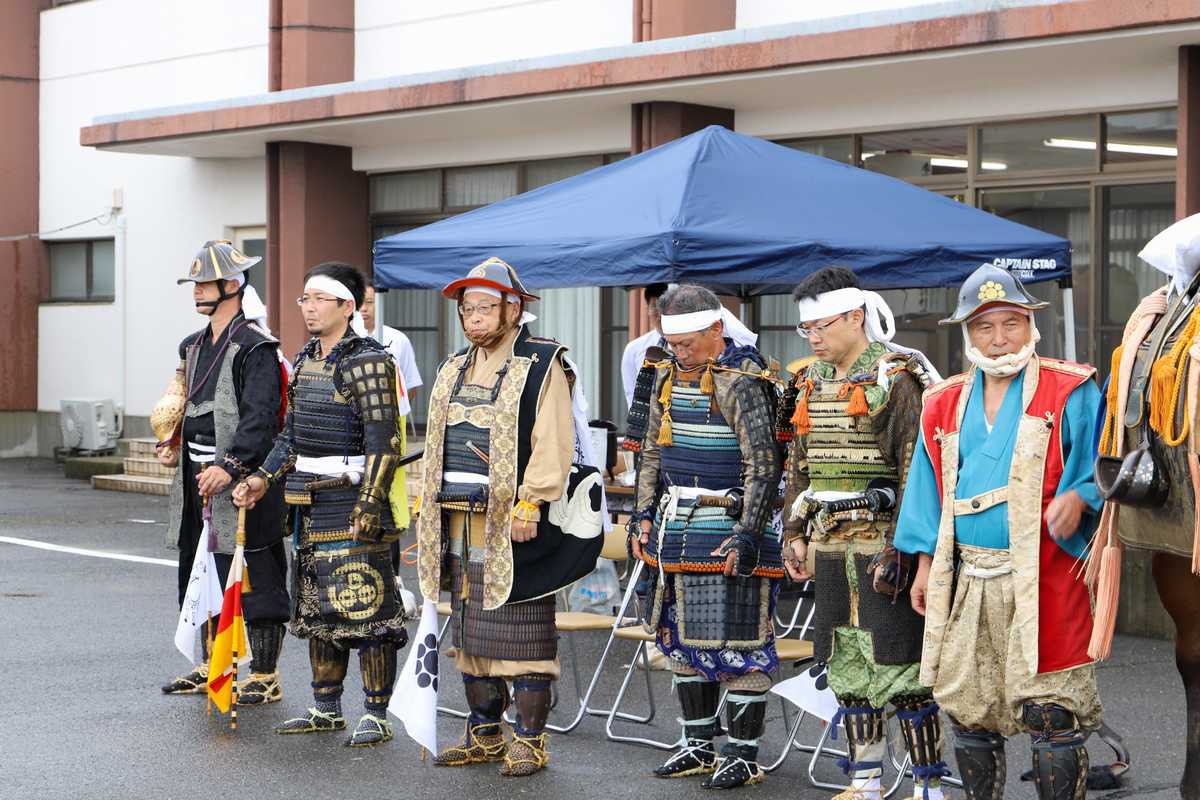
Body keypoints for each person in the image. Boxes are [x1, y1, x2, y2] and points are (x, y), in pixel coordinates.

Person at [894, 264, 1102, 800]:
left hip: (1049, 573)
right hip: (971, 575)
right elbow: (927, 489)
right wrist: (923, 566)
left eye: (1011, 322)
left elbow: (1102, 461)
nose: (999, 337)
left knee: (1052, 712)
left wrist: (1080, 496)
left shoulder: (1070, 387)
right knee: (970, 711)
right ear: (967, 332)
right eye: (984, 326)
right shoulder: (942, 401)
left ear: (1031, 323)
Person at [417, 257, 601, 777]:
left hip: (515, 519)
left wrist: (532, 500)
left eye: (485, 307)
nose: (473, 318)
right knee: (470, 635)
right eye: (467, 308)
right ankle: (484, 733)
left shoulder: (543, 363)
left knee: (522, 634)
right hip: (458, 518)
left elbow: (553, 439)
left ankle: (531, 740)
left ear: (513, 309)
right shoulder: (453, 365)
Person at [780, 267, 944, 800]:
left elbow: (914, 468)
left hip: (884, 544)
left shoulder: (896, 378)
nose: (814, 337)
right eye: (806, 330)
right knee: (845, 665)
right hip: (828, 543)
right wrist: (795, 531)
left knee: (905, 667)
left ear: (855, 316)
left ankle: (927, 785)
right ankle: (865, 780)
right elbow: (798, 466)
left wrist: (906, 548)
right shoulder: (807, 381)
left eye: (822, 326)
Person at [233, 262, 408, 747]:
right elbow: (291, 437)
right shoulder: (307, 358)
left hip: (354, 502)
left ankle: (375, 712)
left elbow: (384, 441)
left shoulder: (370, 360)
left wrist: (370, 504)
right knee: (317, 609)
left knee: (366, 607)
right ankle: (326, 705)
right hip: (308, 502)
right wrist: (261, 480)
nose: (307, 307)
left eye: (318, 298)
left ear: (346, 306)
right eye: (303, 298)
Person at [629, 283, 783, 789]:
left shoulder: (745, 380)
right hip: (674, 529)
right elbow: (650, 451)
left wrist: (747, 534)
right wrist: (642, 514)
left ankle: (741, 754)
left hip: (730, 524)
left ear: (716, 329)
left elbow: (764, 466)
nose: (678, 352)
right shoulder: (664, 375)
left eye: (687, 343)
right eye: (672, 343)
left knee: (736, 638)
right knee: (678, 641)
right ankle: (696, 745)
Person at [158, 240, 290, 706]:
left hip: (244, 479)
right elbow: (186, 407)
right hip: (197, 476)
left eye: (205, 283)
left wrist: (230, 466)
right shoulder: (193, 346)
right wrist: (170, 443)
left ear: (232, 285)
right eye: (194, 284)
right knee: (200, 569)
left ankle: (266, 672)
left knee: (254, 570)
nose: (196, 291)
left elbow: (262, 417)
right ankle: (213, 664)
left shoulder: (257, 347)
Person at [360, 284, 422, 406]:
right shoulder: (341, 339)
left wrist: (391, 412)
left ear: (379, 302)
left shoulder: (398, 339)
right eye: (359, 303)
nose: (363, 308)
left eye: (369, 302)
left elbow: (411, 386)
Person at [621, 283, 669, 408]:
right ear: (647, 309)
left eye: (665, 307)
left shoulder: (687, 347)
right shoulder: (634, 349)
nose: (660, 314)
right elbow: (631, 393)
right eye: (654, 307)